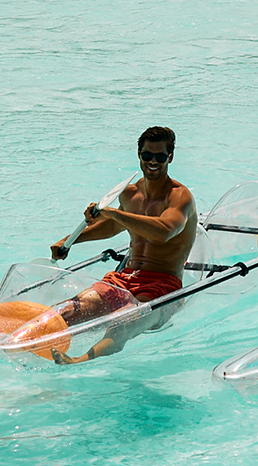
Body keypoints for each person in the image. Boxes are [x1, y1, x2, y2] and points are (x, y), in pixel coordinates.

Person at [44, 126, 196, 362]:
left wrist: (114, 213)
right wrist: (70, 241)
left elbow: (164, 231)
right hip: (124, 278)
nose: (152, 161)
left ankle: (75, 361)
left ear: (170, 157)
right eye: (147, 155)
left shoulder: (179, 196)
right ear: (139, 154)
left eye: (160, 157)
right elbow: (111, 227)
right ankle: (9, 335)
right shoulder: (129, 195)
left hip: (162, 287)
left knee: (120, 325)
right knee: (68, 310)